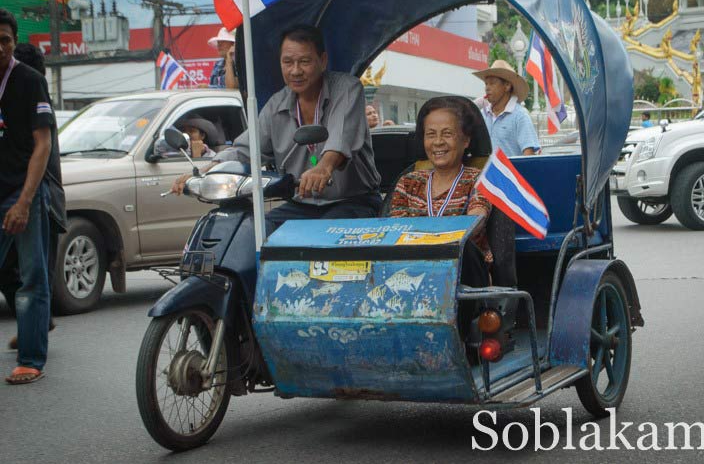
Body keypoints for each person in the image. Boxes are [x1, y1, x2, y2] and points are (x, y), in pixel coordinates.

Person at [172, 24, 382, 235]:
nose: (295, 70)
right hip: (303, 205)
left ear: (323, 61)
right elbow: (246, 149)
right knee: (250, 234)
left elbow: (340, 136)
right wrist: (208, 169)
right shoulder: (276, 104)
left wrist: (324, 167)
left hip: (353, 202)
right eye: (287, 62)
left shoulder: (347, 88)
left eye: (305, 62)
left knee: (323, 239)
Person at [0, 9, 56, 384]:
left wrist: (24, 201)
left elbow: (43, 145)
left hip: (22, 192)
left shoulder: (29, 80)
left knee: (32, 277)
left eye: (4, 39)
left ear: (13, 41)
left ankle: (31, 358)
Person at [389, 96, 491, 288]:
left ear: (466, 140)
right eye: (430, 134)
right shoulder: (408, 182)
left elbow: (477, 218)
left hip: (465, 276)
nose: (437, 142)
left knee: (464, 247)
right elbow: (397, 231)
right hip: (413, 273)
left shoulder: (480, 179)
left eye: (447, 134)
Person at [473, 59, 541, 156]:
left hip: (510, 171)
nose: (487, 88)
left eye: (492, 83)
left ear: (507, 86)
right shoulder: (482, 115)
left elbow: (528, 155)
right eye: (486, 84)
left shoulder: (520, 116)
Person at [154, 116, 218, 158]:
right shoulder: (175, 150)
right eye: (183, 131)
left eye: (191, 131)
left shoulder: (212, 156)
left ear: (202, 136)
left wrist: (196, 154)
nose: (186, 134)